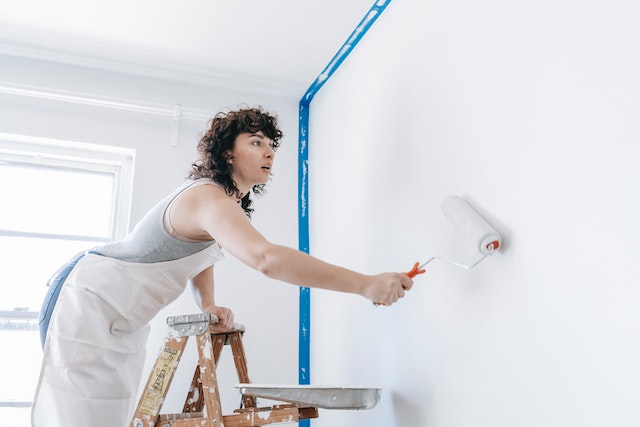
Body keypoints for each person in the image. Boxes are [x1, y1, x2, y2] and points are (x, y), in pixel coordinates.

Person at [31, 106, 413, 427]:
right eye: (256, 142)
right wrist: (365, 284)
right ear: (228, 153)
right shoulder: (207, 197)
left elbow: (199, 257)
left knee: (108, 414)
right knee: (76, 415)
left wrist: (207, 304)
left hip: (121, 318)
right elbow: (266, 259)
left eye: (271, 145)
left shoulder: (219, 206)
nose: (270, 153)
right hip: (88, 301)